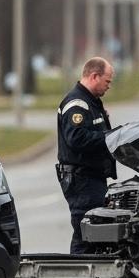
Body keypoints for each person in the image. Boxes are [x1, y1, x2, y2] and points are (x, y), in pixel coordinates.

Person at [56, 57, 116, 254]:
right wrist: (111, 137)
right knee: (86, 233)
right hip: (82, 179)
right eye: (107, 81)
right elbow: (77, 139)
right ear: (94, 76)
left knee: (94, 232)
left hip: (91, 177)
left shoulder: (91, 102)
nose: (109, 86)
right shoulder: (77, 105)